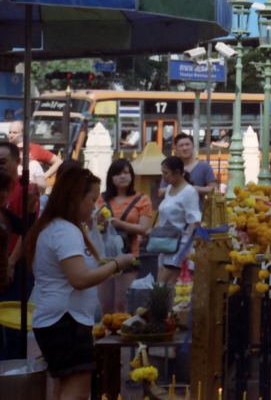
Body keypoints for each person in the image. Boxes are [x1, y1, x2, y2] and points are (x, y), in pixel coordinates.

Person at [24, 167, 134, 400]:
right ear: (75, 197)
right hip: (66, 321)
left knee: (62, 389)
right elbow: (79, 279)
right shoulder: (65, 230)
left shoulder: (51, 227)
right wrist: (116, 263)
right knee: (77, 392)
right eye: (92, 200)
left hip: (55, 320)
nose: (94, 207)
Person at [96, 159, 152, 314]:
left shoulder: (142, 199)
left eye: (126, 173)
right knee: (105, 304)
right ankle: (108, 335)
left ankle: (121, 334)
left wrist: (118, 224)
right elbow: (92, 223)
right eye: (118, 174)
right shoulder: (101, 199)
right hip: (104, 256)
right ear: (111, 178)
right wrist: (98, 220)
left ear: (132, 176)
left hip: (128, 255)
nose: (123, 177)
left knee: (122, 304)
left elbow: (143, 229)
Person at [0, 141, 39, 361]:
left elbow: (26, 228)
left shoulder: (25, 193)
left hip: (12, 272)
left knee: (11, 334)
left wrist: (32, 209)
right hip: (7, 273)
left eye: (3, 162)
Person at [155, 156, 201, 284]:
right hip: (166, 243)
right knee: (160, 285)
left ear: (177, 172)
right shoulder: (169, 188)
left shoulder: (189, 192)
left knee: (167, 285)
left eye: (165, 173)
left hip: (180, 246)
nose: (163, 176)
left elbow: (194, 221)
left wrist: (187, 249)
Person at [158, 133, 217, 203]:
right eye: (181, 145)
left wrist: (194, 189)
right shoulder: (171, 167)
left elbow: (214, 189)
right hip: (174, 212)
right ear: (176, 148)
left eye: (187, 145)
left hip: (198, 212)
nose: (185, 148)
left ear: (193, 147)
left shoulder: (205, 166)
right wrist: (179, 188)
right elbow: (160, 193)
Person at [8, 120, 62, 187]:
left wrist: (43, 177)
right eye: (10, 132)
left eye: (15, 133)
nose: (11, 135)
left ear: (23, 134)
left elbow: (59, 162)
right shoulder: (5, 149)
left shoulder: (34, 148)